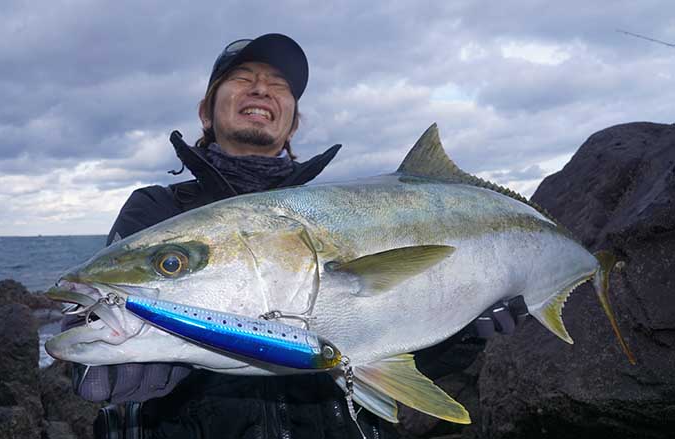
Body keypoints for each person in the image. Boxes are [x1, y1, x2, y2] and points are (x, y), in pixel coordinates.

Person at [64, 33, 528, 439]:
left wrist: (460, 335)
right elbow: (89, 322)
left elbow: (382, 340)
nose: (262, 88)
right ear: (206, 112)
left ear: (292, 123)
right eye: (242, 77)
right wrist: (95, 356)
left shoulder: (340, 212)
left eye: (279, 85)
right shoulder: (160, 209)